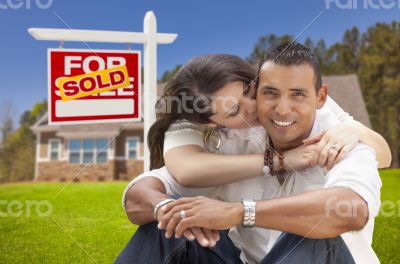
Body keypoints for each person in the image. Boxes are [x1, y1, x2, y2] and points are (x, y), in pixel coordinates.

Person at [116, 46, 387, 263]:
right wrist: (166, 209)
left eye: (250, 91)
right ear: (215, 123)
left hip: (327, 258)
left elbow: (350, 210)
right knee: (168, 225)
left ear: (319, 97)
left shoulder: (339, 135)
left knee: (315, 228)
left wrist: (239, 212)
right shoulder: (228, 140)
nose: (264, 107)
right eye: (234, 111)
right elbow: (148, 190)